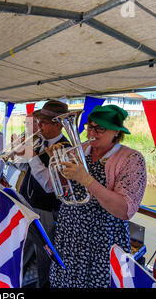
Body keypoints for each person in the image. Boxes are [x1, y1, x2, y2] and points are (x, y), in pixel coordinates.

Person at [49, 104, 147, 288]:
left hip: (103, 238)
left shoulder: (132, 159)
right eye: (90, 126)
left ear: (116, 132)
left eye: (100, 128)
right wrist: (60, 172)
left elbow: (125, 209)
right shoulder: (78, 153)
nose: (91, 132)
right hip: (69, 233)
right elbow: (62, 190)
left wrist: (86, 179)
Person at [14, 99, 71, 288]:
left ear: (58, 124)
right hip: (27, 202)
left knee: (43, 253)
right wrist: (19, 152)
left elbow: (49, 184)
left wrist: (31, 155)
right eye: (38, 121)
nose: (38, 126)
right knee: (25, 247)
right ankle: (20, 281)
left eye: (43, 122)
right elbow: (21, 166)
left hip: (45, 209)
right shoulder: (40, 142)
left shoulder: (65, 148)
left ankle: (45, 284)